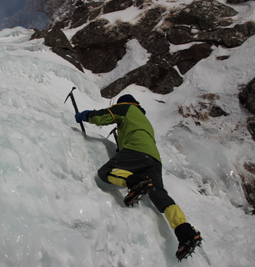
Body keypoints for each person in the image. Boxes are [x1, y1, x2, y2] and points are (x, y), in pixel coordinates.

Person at [74, 94, 202, 260]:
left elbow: (105, 116)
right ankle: (185, 232)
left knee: (105, 172)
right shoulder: (143, 118)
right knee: (160, 196)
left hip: (137, 151)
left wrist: (85, 116)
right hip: (154, 160)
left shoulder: (126, 108)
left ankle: (136, 183)